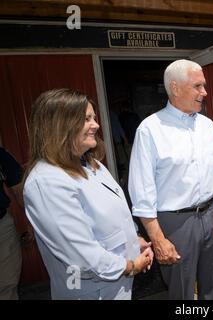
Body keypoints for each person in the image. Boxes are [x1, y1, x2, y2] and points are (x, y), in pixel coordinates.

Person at [23, 88, 153, 300]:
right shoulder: (46, 182)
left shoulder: (93, 165)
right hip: (89, 292)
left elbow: (113, 217)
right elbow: (80, 253)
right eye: (86, 119)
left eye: (94, 118)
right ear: (60, 126)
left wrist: (134, 239)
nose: (96, 125)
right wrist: (129, 266)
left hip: (116, 285)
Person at [128, 59, 213, 300]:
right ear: (175, 88)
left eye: (204, 86)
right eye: (198, 86)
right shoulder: (150, 130)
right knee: (181, 291)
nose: (204, 92)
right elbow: (142, 192)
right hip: (175, 224)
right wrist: (157, 238)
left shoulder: (207, 126)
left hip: (211, 215)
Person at [0, 145, 23, 300]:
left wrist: (29, 222)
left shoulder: (0, 154)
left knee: (7, 285)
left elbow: (18, 186)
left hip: (1, 227)